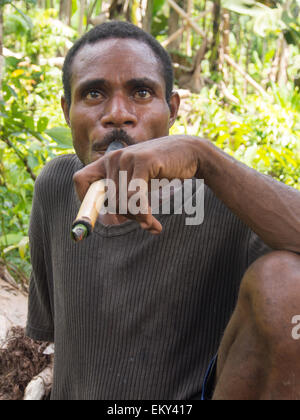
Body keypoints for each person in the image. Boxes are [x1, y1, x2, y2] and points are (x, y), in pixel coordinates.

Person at [26, 21, 300, 400]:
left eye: (141, 92)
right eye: (93, 93)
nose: (118, 114)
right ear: (65, 110)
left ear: (172, 110)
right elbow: (57, 337)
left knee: (287, 280)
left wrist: (203, 157)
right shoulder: (56, 186)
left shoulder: (223, 195)